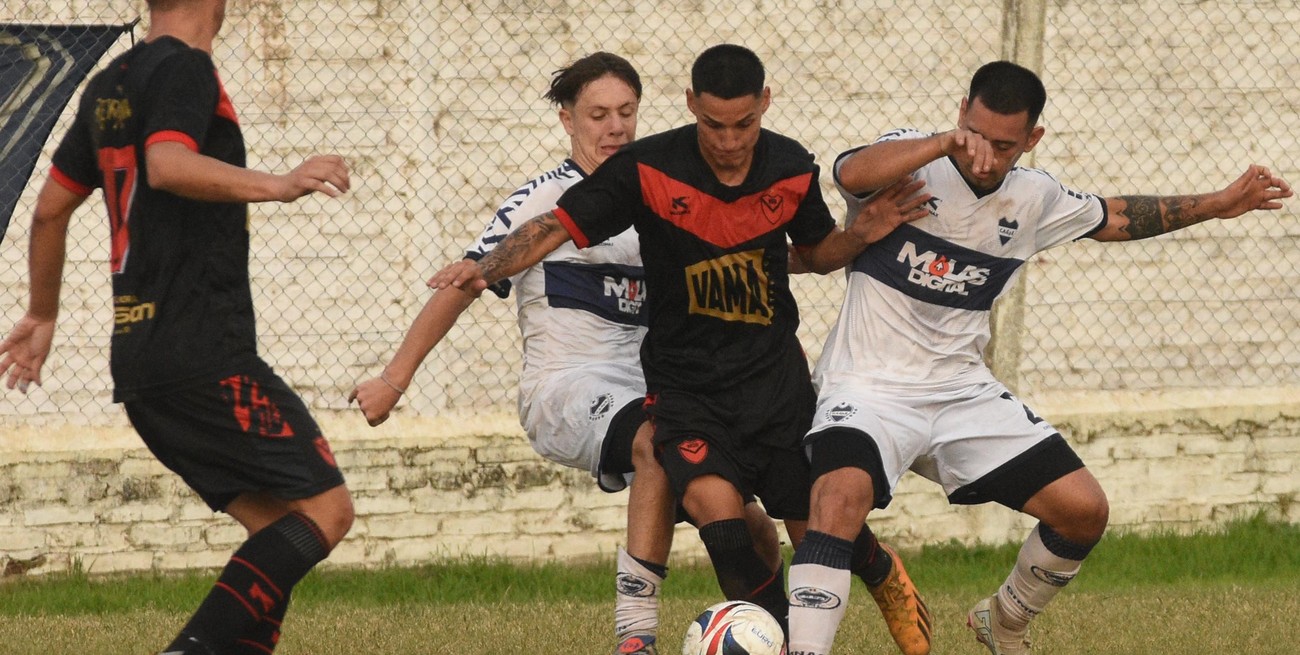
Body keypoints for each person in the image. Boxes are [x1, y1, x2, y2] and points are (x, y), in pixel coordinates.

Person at [429, 43, 936, 655]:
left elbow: (816, 254)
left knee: (816, 533)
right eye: (715, 125)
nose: (729, 141)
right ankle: (769, 641)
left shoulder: (790, 166)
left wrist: (859, 235)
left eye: (744, 124)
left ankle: (878, 569)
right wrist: (485, 267)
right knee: (720, 521)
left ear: (764, 104)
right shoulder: (646, 168)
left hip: (772, 382)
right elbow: (554, 226)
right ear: (691, 104)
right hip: (687, 388)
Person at [785, 60, 1292, 655]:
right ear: (960, 115)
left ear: (1032, 139)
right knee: (836, 501)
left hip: (961, 391)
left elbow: (1114, 216)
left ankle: (1003, 621)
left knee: (1083, 511)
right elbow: (850, 171)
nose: (983, 157)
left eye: (1004, 146)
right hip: (868, 386)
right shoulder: (911, 160)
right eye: (974, 135)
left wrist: (1219, 203)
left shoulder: (1034, 197)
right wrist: (944, 143)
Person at [350, 51, 788, 655]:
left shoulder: (663, 192)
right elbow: (467, 282)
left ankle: (776, 634)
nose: (615, 127)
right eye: (598, 115)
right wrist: (394, 380)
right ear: (568, 120)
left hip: (659, 387)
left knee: (744, 519)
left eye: (626, 112)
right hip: (568, 388)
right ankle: (635, 637)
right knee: (657, 439)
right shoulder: (543, 200)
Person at [0, 1, 357, 653]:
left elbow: (50, 210)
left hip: (140, 359)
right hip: (205, 351)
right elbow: (167, 163)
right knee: (328, 511)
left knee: (277, 530)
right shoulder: (186, 69)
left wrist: (42, 313)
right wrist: (278, 184)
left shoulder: (109, 83)